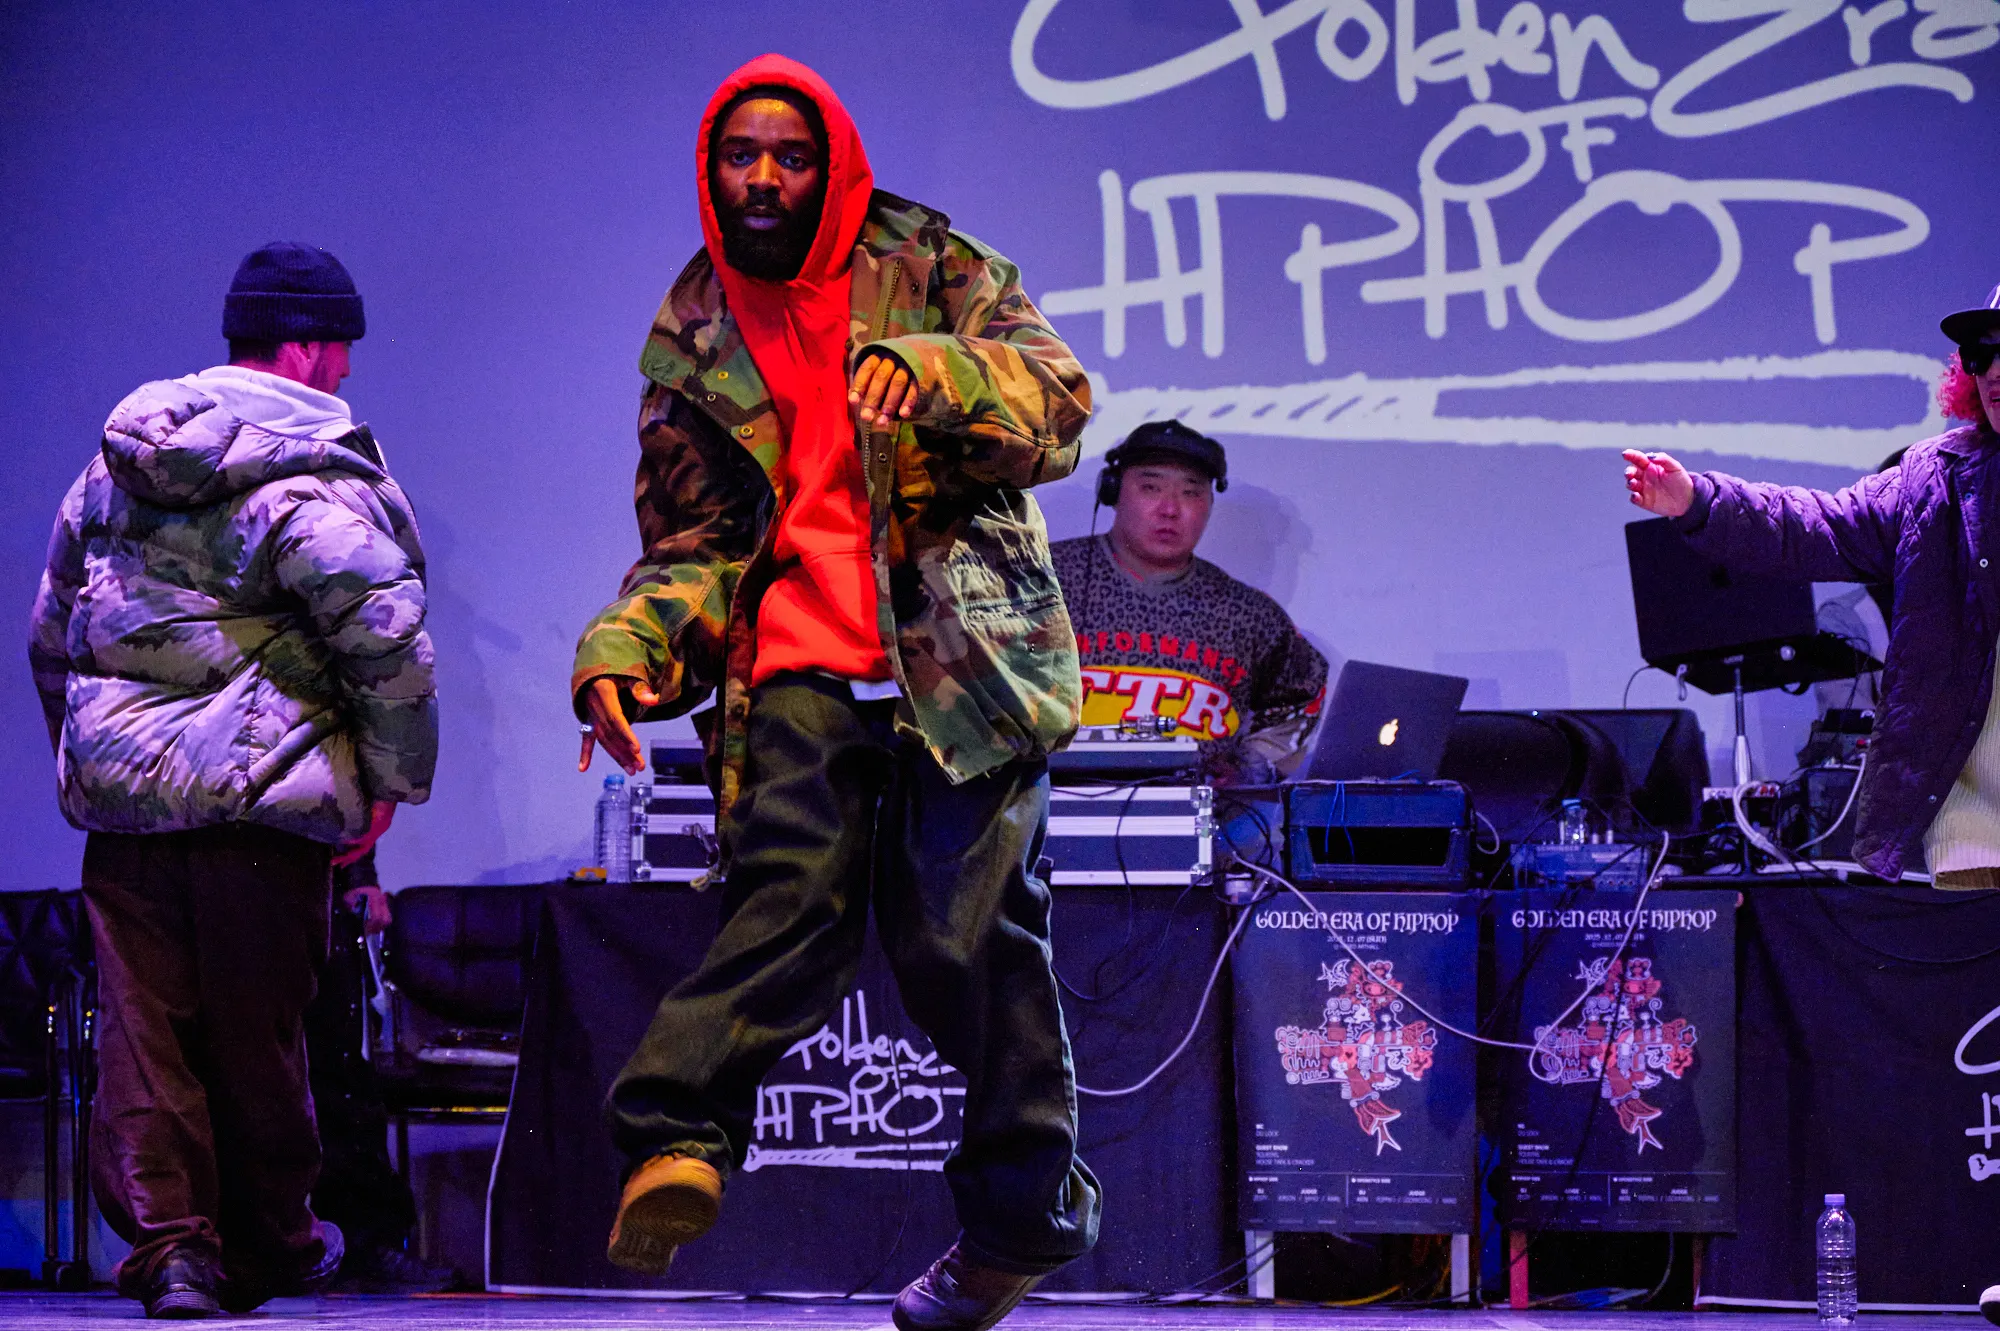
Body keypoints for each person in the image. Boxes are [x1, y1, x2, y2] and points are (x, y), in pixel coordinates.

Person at [571, 55, 1098, 1331]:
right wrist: (623, 649)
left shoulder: (929, 262)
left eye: (790, 156)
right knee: (784, 910)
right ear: (711, 169)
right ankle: (675, 1140)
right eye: (740, 155)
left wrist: (943, 372)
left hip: (958, 659)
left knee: (965, 942)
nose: (762, 178)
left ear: (832, 168)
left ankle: (1017, 1222)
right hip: (796, 659)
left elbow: (1061, 402)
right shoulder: (693, 328)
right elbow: (695, 542)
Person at [29, 242, 437, 1318]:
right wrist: (389, 781)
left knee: (145, 1037)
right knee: (259, 1037)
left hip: (130, 817)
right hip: (265, 806)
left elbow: (53, 632)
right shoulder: (309, 477)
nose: (343, 373)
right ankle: (268, 1243)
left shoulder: (111, 471)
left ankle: (173, 1249)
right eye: (338, 350)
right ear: (302, 345)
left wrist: (94, 757)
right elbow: (386, 634)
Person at [1622, 281, 2000, 893]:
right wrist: (1699, 501)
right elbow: (1817, 525)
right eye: (1982, 355)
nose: (1995, 371)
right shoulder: (1935, 478)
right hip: (1978, 815)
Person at [1049, 420, 1328, 785]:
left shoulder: (1245, 613)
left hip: (1192, 813)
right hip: (1054, 809)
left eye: (1191, 492)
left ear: (1209, 505)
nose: (1169, 509)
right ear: (1113, 491)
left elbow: (1302, 695)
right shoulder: (1044, 581)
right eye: (1151, 488)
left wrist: (1249, 769)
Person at [302, 851, 463, 1294]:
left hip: (312, 875)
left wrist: (359, 874)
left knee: (342, 1072)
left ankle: (363, 1243)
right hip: (225, 873)